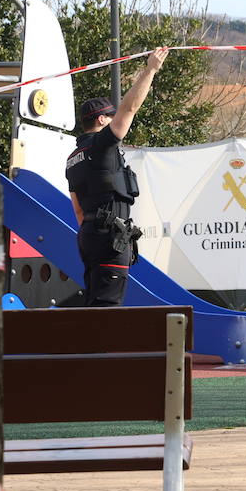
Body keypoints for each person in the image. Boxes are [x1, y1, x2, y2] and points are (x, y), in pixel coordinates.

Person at [65, 48, 169, 306]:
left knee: (95, 299)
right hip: (109, 235)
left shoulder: (72, 158)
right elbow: (130, 107)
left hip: (89, 234)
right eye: (111, 118)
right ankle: (98, 347)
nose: (117, 121)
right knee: (107, 306)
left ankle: (91, 345)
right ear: (101, 120)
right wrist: (151, 69)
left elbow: (78, 210)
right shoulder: (102, 146)